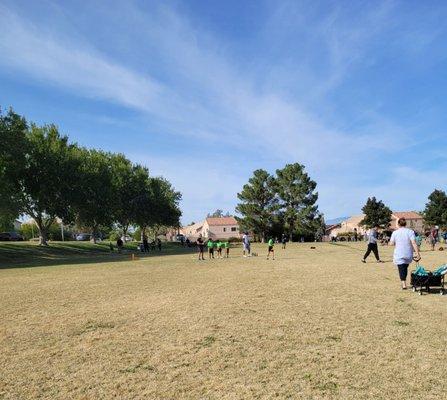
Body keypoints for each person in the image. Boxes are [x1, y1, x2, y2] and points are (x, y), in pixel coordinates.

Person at [389, 218, 421, 290]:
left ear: (398, 224)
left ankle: (403, 283)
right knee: (405, 268)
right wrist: (417, 253)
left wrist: (390, 242)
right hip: (408, 253)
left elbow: (391, 243)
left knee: (401, 268)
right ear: (405, 224)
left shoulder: (395, 232)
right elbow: (413, 243)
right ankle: (404, 282)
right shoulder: (410, 231)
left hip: (399, 253)